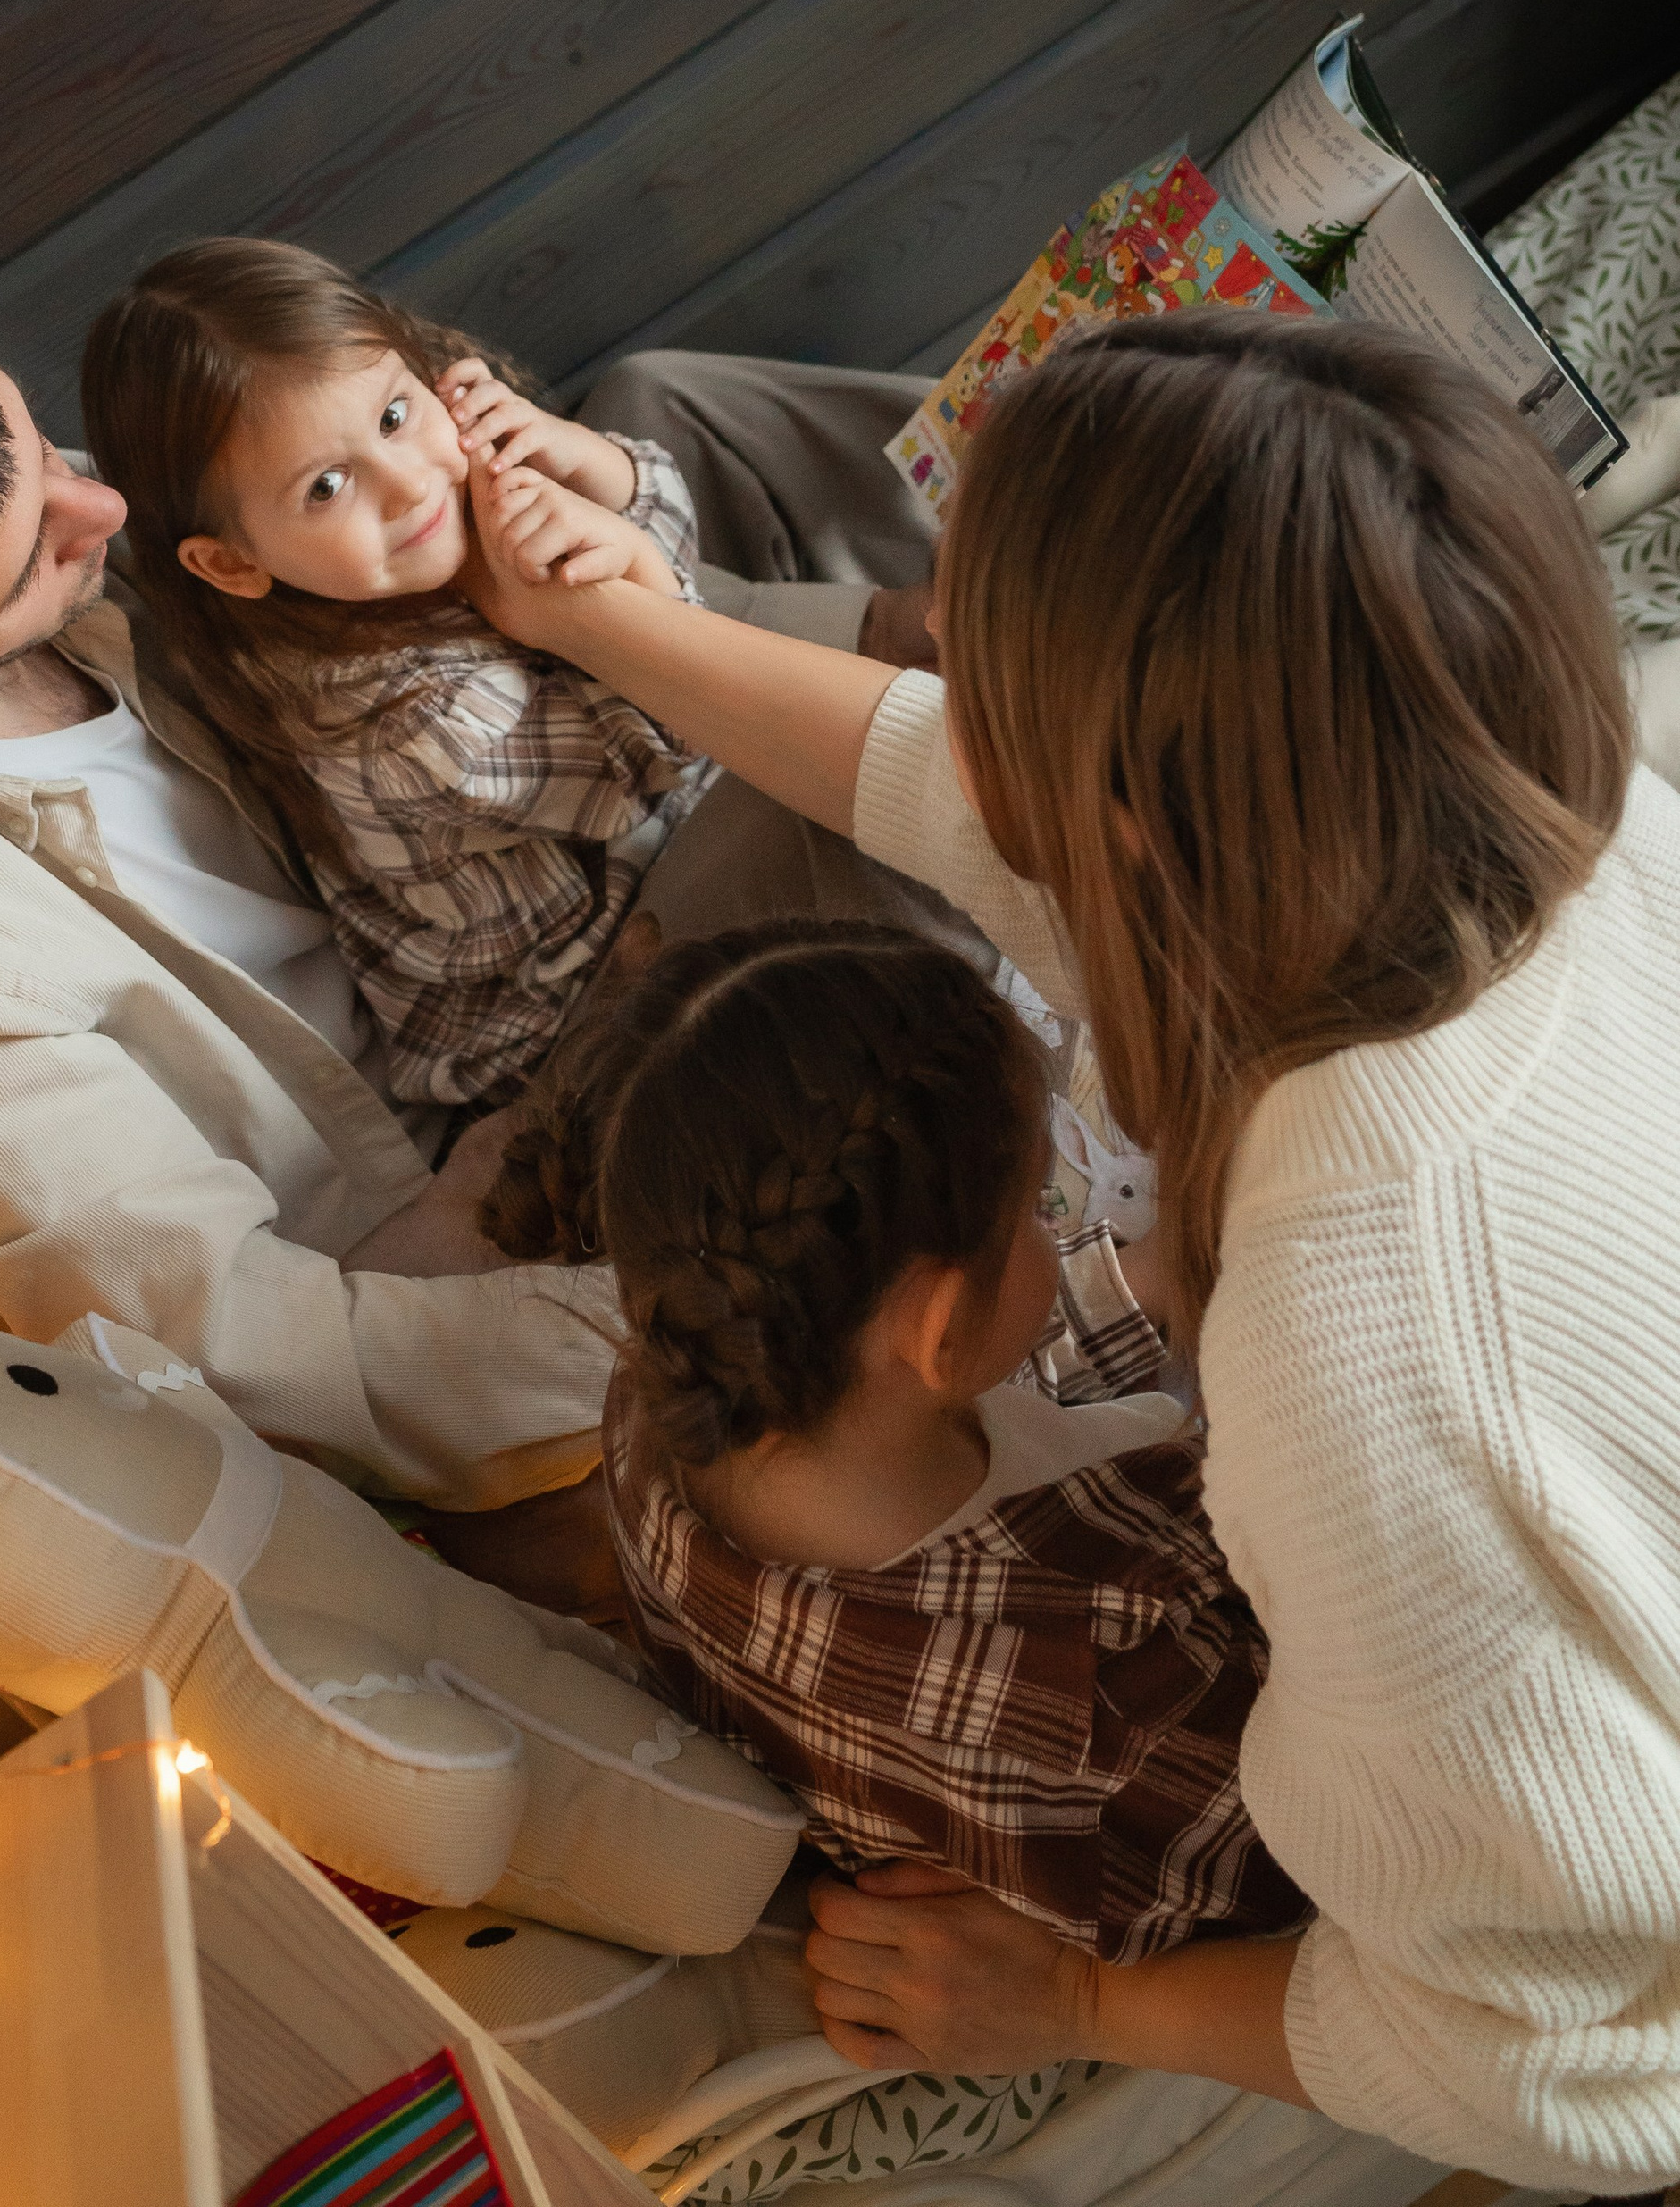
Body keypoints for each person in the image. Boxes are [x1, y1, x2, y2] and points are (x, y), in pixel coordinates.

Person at [458, 312, 1680, 2189]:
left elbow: (1577, 2061)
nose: (927, 653)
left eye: (970, 653)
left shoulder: (1368, 1375)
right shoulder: (1530, 813)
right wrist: (607, 622)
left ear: (1126, 817)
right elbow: (948, 792)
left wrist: (1082, 2005)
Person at [0, 286, 950, 1525]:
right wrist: (732, 1317)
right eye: (39, 556)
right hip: (488, 1142)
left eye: (32, 441)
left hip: (505, 855)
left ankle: (958, 592)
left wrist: (714, 587)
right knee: (894, 796)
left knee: (668, 401)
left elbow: (428, 575)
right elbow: (282, 1361)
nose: (103, 511)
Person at [484, 915, 1307, 1966]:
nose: (1052, 1228)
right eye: (1035, 1210)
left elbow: (965, 1375)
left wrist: (1159, 1278)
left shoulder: (676, 1385)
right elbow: (1314, 1859)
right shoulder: (1111, 1663)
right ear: (938, 1328)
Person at [79, 238, 717, 1108]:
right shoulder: (405, 721)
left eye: (392, 417)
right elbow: (683, 738)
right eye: (326, 487)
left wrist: (580, 458)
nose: (410, 484)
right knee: (841, 791)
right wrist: (637, 563)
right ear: (232, 563)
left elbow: (674, 520)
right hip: (571, 1011)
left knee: (662, 391)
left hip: (640, 815)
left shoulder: (450, 478)